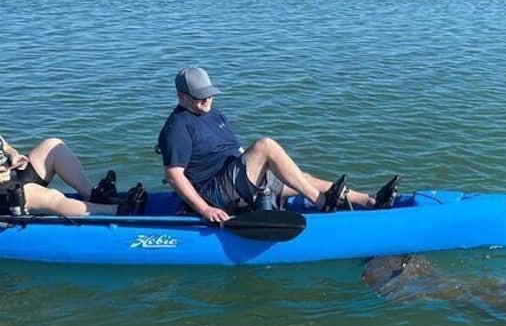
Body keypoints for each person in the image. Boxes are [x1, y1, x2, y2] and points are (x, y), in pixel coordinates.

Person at [157, 66, 400, 223]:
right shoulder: (178, 126)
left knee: (301, 178)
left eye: (208, 93)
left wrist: (270, 173)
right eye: (200, 96)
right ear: (182, 97)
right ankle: (320, 201)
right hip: (214, 193)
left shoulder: (214, 113)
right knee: (266, 145)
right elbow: (174, 175)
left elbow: (237, 151)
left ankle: (369, 201)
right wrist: (204, 210)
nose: (207, 99)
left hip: (237, 180)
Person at [0, 136, 147, 217]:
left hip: (11, 174)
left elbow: (5, 147)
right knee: (52, 196)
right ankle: (118, 210)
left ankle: (92, 196)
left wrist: (14, 155)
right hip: (3, 189)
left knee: (53, 145)